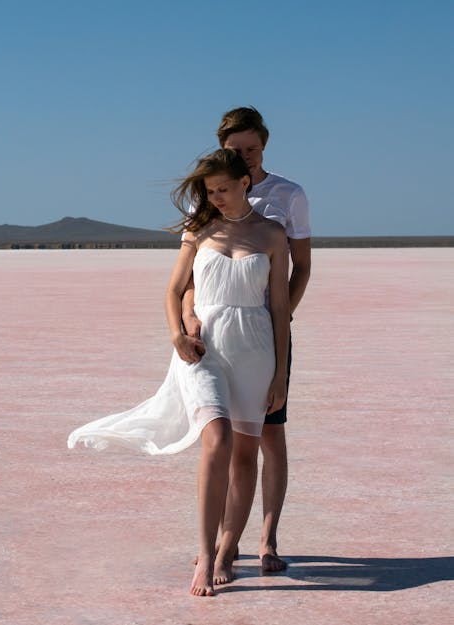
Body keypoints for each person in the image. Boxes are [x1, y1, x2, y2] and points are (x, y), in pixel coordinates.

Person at [68, 148, 290, 597]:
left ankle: (229, 548)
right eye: (211, 192)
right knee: (218, 438)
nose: (218, 198)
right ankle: (206, 554)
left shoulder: (271, 234)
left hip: (255, 347)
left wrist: (281, 375)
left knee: (246, 455)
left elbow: (281, 310)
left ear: (245, 182)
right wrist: (177, 333)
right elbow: (173, 290)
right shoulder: (200, 228)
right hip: (203, 348)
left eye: (224, 189)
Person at [182, 107, 311, 572]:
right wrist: (188, 317)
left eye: (253, 148)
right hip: (217, 335)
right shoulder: (210, 197)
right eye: (237, 150)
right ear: (223, 149)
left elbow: (300, 268)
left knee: (269, 436)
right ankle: (220, 547)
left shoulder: (287, 195)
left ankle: (268, 537)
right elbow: (194, 276)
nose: (247, 157)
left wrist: (277, 325)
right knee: (223, 440)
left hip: (266, 333)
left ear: (265, 146)